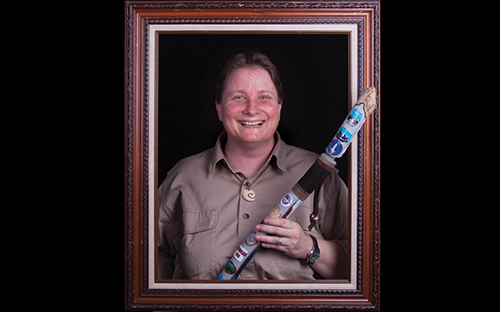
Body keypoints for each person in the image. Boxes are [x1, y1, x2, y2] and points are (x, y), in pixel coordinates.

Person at [158, 52, 348, 280]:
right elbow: (150, 262)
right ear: (219, 108)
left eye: (264, 97)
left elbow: (362, 270)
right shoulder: (183, 177)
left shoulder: (320, 174)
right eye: (238, 97)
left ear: (279, 107)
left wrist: (309, 248)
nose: (251, 109)